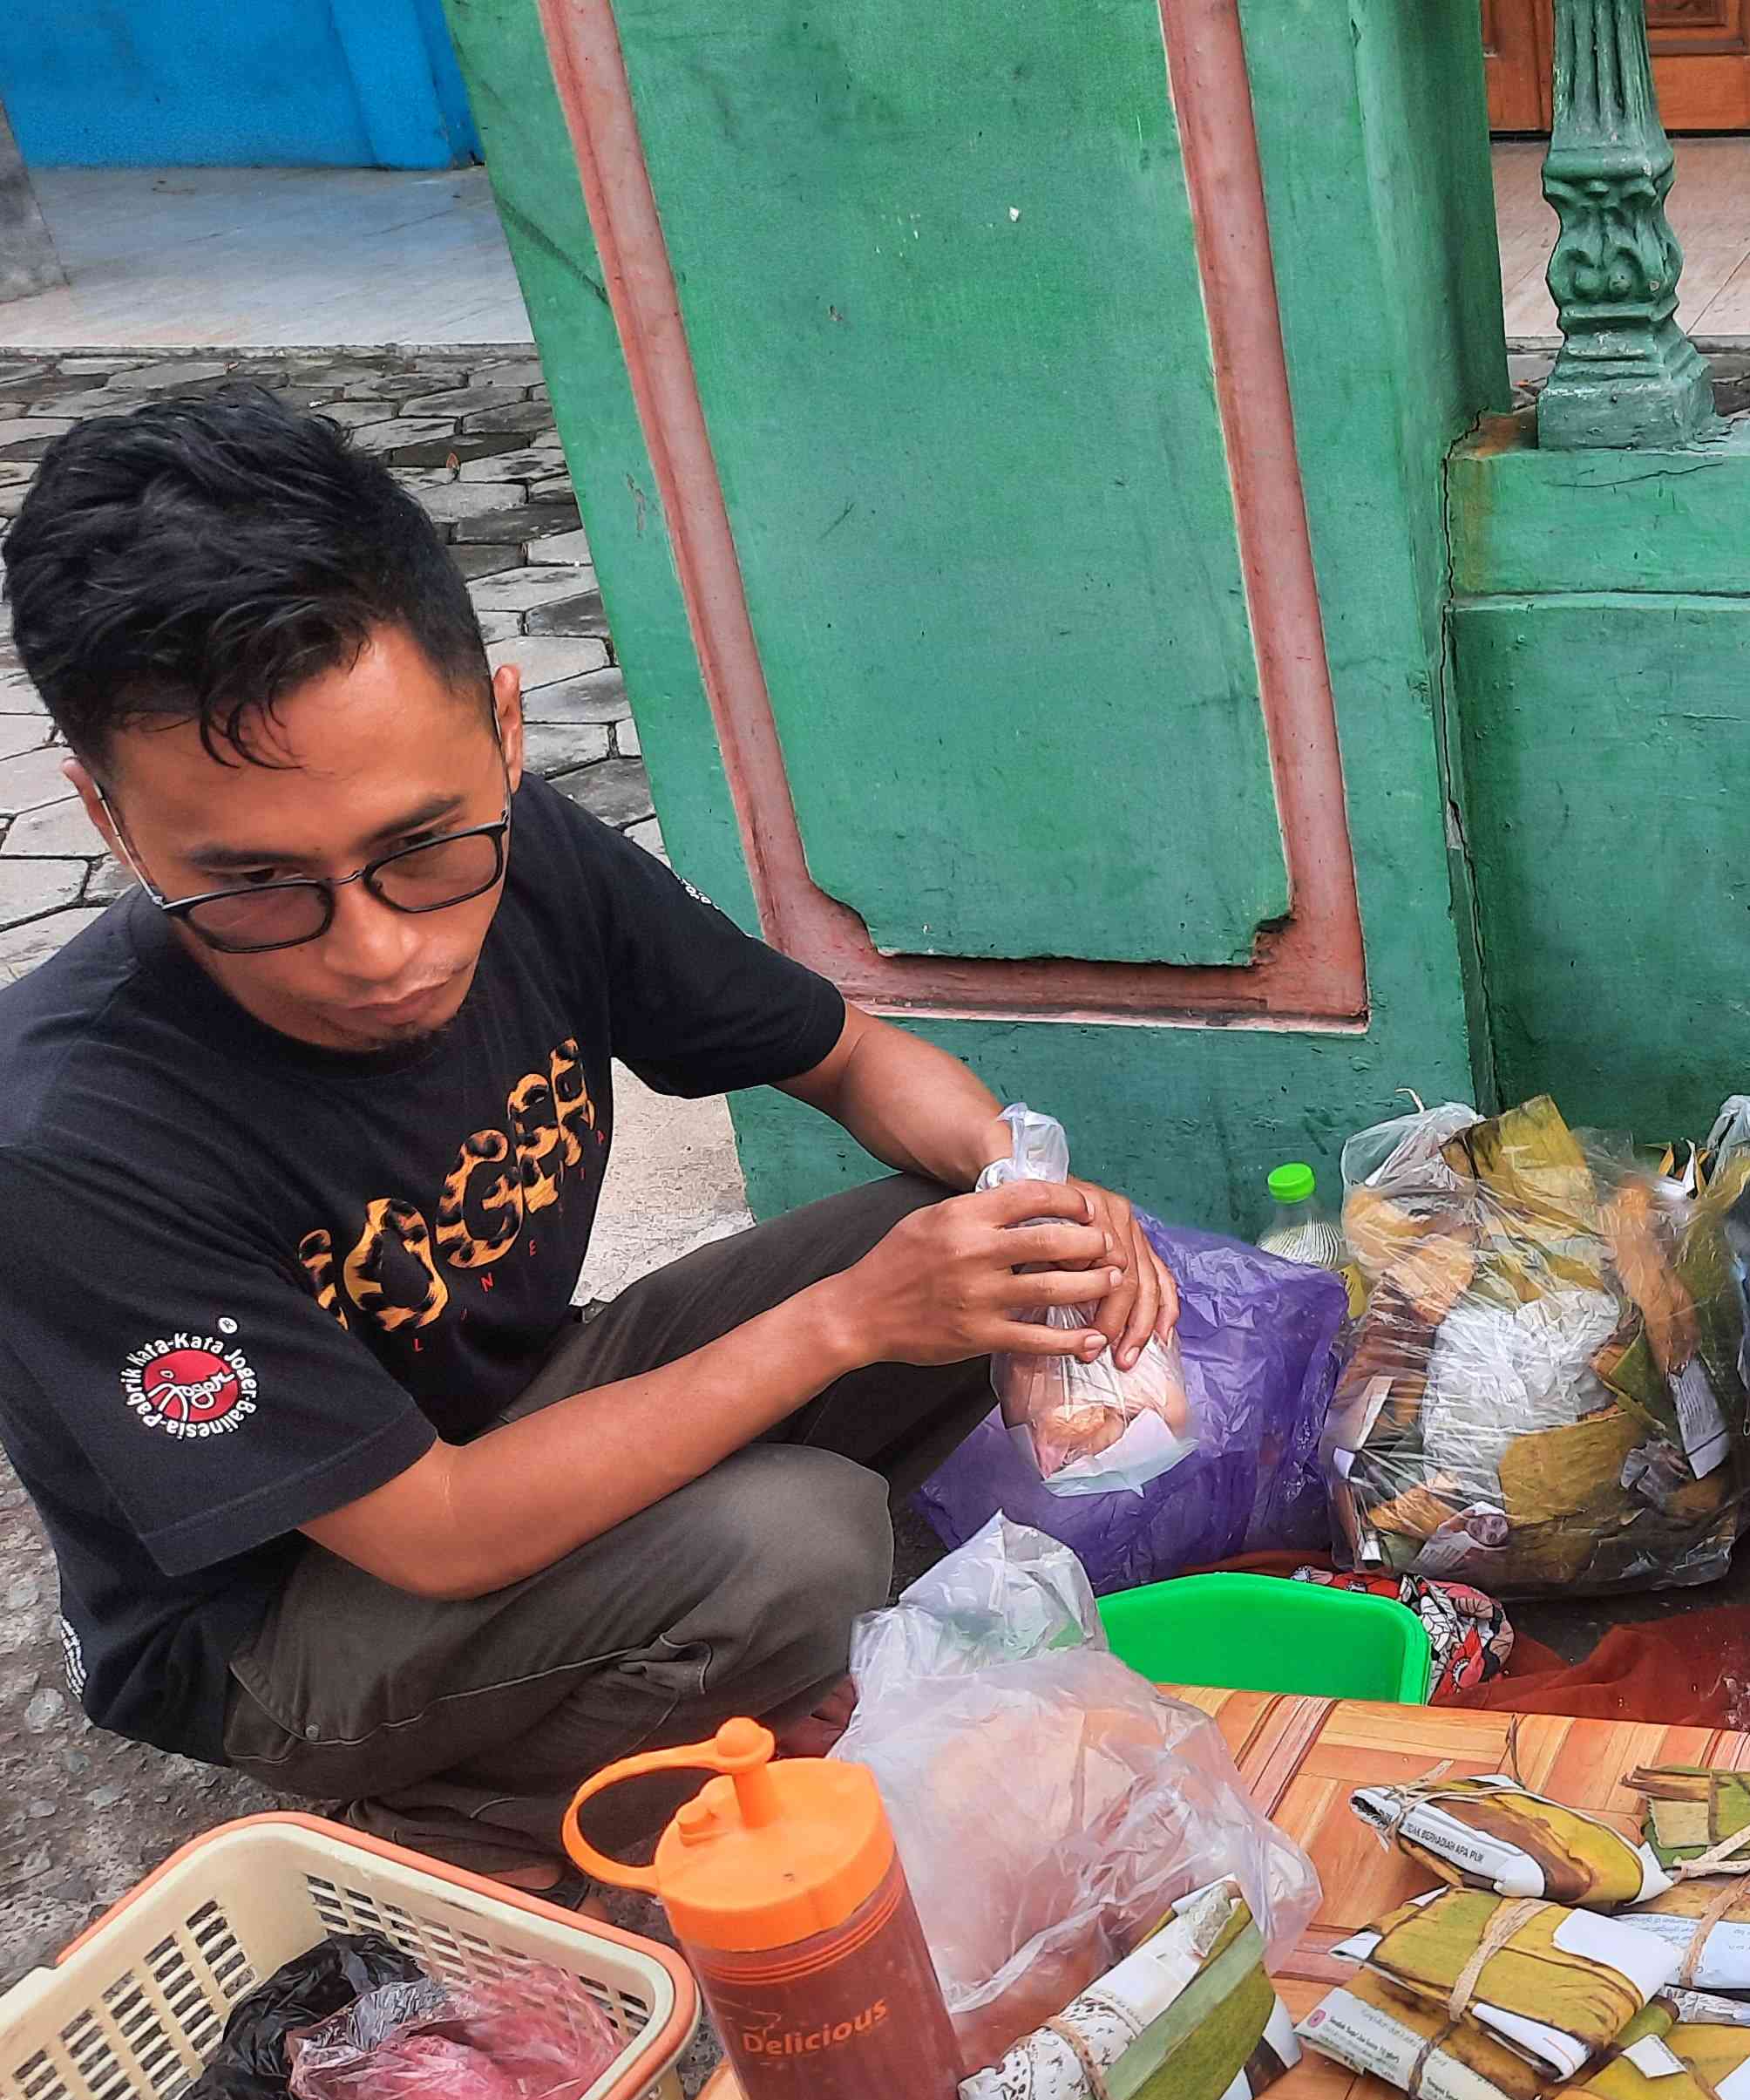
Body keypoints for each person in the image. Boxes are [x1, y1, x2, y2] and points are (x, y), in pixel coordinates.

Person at [0, 387, 1174, 1881]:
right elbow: (428, 1535)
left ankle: (668, 1646)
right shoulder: (66, 1142)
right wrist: (841, 1329)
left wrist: (1032, 1181)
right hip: (280, 1615)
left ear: (502, 728)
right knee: (800, 1541)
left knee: (956, 1242)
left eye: (422, 849)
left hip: (502, 1420)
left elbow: (855, 1059)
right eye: (253, 887)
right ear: (108, 817)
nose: (374, 950)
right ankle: (464, 1813)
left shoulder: (531, 847)